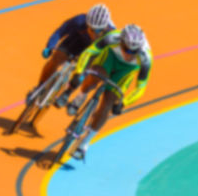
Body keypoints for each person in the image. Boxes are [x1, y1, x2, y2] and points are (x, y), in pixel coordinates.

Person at [56, 24, 153, 159]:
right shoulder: (112, 38)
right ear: (121, 42)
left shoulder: (146, 58)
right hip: (110, 57)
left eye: (134, 51)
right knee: (95, 77)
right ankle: (80, 97)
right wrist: (79, 72)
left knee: (108, 104)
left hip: (126, 71)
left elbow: (141, 87)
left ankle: (84, 143)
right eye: (126, 49)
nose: (129, 54)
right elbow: (88, 52)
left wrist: (123, 103)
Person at [26, 4, 116, 104]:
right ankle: (39, 88)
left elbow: (111, 56)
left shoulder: (111, 33)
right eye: (91, 29)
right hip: (77, 41)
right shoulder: (79, 21)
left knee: (85, 68)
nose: (94, 33)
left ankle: (68, 92)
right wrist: (50, 46)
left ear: (105, 27)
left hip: (94, 50)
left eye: (98, 30)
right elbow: (60, 32)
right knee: (56, 58)